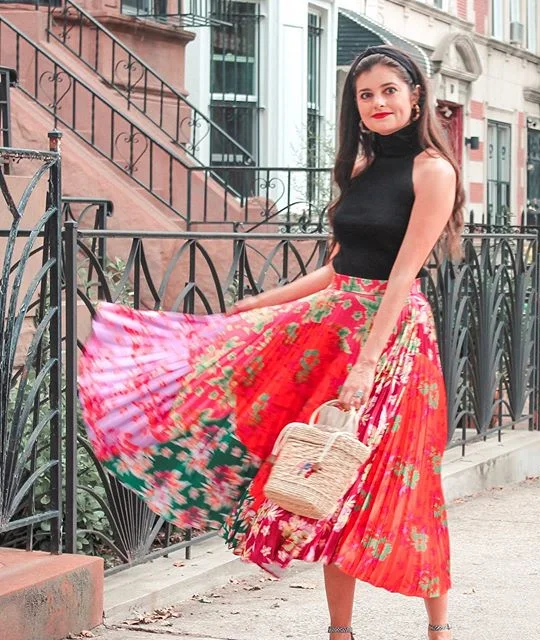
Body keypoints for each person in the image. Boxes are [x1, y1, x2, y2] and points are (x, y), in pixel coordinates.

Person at [78, 44, 464, 640]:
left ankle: (438, 627)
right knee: (331, 483)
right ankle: (340, 633)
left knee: (399, 478)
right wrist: (266, 300)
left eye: (390, 90)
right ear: (355, 108)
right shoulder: (362, 173)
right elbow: (340, 267)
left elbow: (402, 275)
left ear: (416, 97)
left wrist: (366, 366)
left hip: (394, 343)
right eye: (366, 95)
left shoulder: (433, 171)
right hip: (333, 329)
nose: (379, 103)